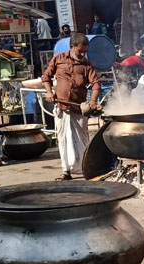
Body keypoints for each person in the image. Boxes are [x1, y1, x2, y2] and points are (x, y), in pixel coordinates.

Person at [42, 33, 102, 181]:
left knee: (82, 139)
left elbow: (95, 85)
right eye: (80, 51)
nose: (82, 54)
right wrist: (49, 92)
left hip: (78, 108)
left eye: (84, 51)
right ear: (72, 47)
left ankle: (86, 168)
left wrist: (93, 101)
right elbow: (46, 77)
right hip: (61, 106)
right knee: (63, 139)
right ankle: (66, 171)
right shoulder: (58, 59)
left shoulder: (87, 65)